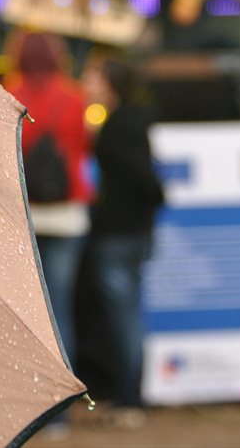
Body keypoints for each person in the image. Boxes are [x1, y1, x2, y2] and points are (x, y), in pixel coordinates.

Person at [81, 56, 165, 426]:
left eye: (93, 76)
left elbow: (141, 177)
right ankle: (125, 396)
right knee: (123, 314)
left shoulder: (120, 124)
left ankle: (130, 399)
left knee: (123, 316)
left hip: (119, 231)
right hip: (131, 230)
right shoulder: (128, 119)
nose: (86, 82)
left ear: (110, 82)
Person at [4, 32, 93, 372]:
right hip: (68, 215)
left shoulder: (9, 94)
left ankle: (31, 387)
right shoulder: (76, 97)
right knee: (60, 310)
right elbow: (83, 147)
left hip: (23, 213)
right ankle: (66, 393)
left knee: (26, 312)